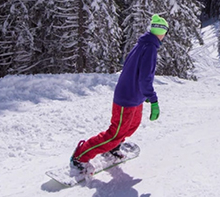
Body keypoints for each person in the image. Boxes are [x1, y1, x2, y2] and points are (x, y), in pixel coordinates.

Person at [70, 14, 168, 174]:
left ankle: (113, 147)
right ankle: (80, 156)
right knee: (115, 133)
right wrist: (153, 99)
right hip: (127, 98)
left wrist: (143, 94)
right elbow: (145, 78)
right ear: (161, 32)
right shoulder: (149, 47)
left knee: (131, 126)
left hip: (135, 96)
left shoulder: (145, 44)